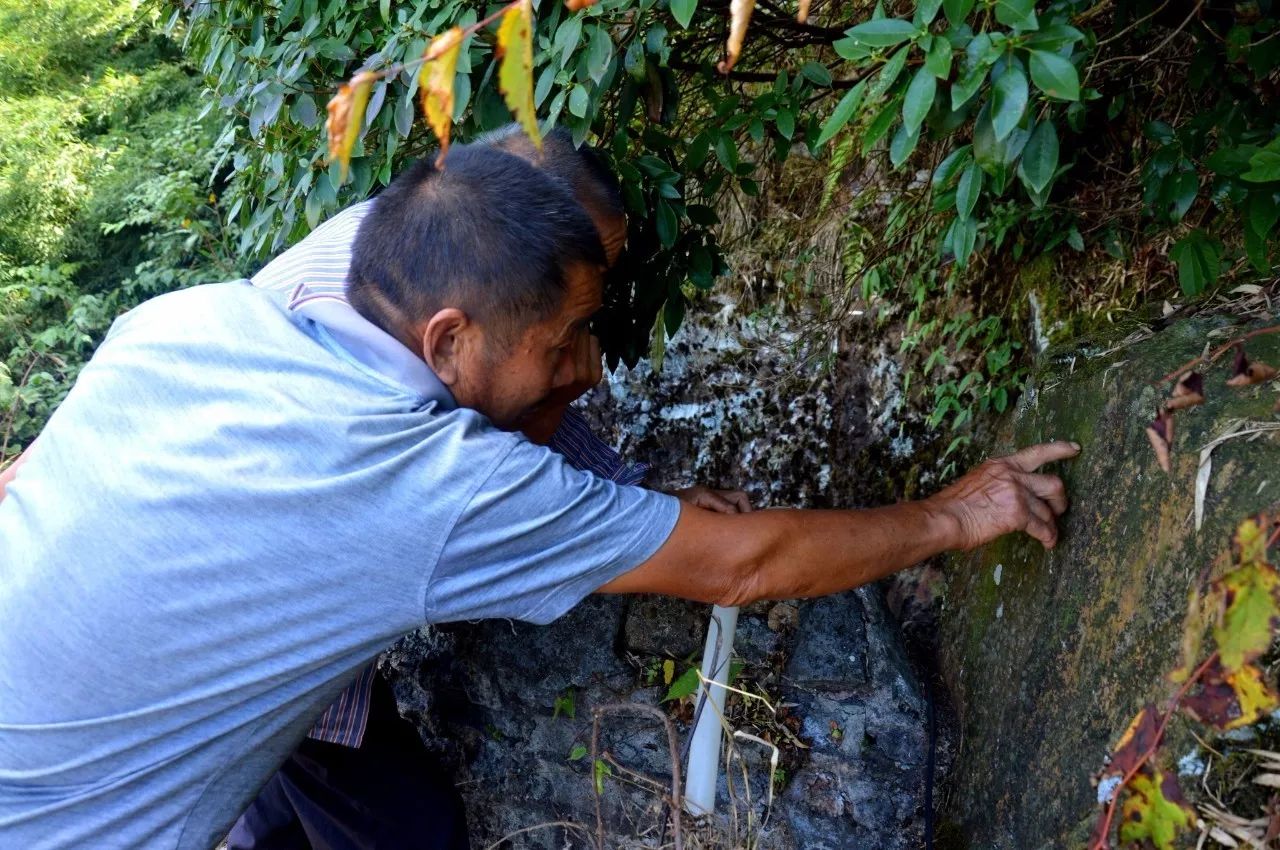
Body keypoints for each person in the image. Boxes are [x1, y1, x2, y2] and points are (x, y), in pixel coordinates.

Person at [0, 143, 1078, 850]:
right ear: (447, 338)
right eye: (561, 342)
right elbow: (743, 565)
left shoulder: (189, 318)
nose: (588, 371)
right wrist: (953, 512)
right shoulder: (424, 486)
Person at [229, 126, 749, 850]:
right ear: (504, 233)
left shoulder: (397, 251)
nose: (587, 300)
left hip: (260, 599)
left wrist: (630, 485)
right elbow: (497, 461)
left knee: (280, 798)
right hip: (263, 627)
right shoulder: (380, 386)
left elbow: (494, 409)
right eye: (574, 277)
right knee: (402, 827)